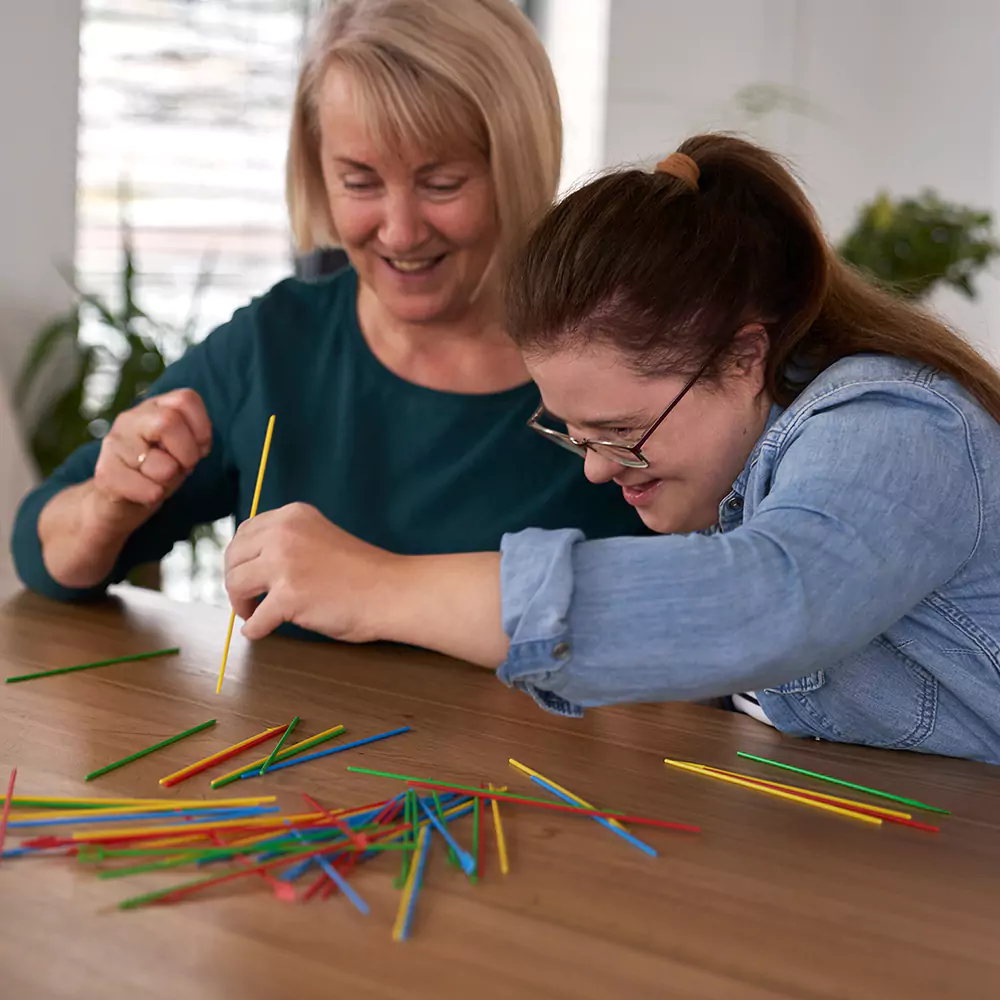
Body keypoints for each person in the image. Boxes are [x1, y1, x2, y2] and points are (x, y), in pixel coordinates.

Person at [223, 134, 1000, 764]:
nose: (596, 467)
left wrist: (382, 588)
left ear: (742, 357)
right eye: (575, 433)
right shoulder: (738, 456)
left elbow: (765, 599)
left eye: (622, 433)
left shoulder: (897, 425)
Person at [11, 0, 644, 613]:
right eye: (359, 182)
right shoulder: (276, 344)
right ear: (317, 171)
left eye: (441, 184)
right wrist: (109, 504)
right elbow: (42, 553)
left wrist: (377, 586)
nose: (399, 232)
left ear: (518, 161)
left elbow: (704, 606)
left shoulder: (623, 354)